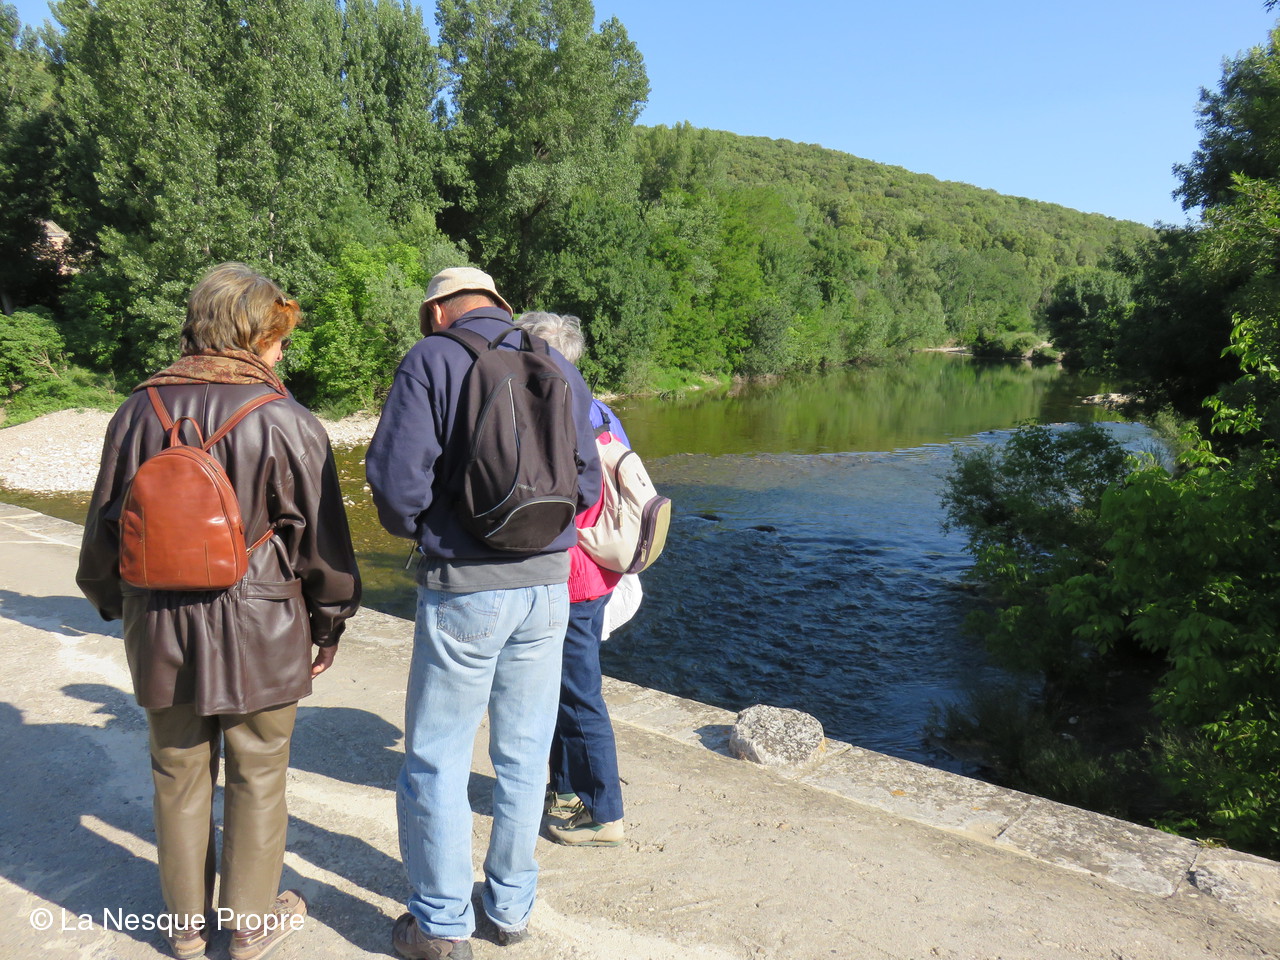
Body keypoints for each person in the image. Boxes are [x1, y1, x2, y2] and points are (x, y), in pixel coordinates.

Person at [77, 262, 362, 960]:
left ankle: (184, 928)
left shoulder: (136, 412)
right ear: (257, 335)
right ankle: (248, 926)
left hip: (157, 622)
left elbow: (104, 531)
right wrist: (328, 625)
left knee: (176, 770)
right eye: (279, 339)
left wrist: (115, 604)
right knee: (258, 771)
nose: (282, 353)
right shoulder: (288, 420)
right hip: (261, 626)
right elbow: (322, 547)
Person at [365, 268, 600, 959]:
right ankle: (509, 909)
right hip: (548, 588)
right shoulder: (553, 360)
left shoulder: (432, 358)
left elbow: (395, 482)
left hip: (465, 587)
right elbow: (589, 481)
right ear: (499, 305)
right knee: (523, 755)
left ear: (438, 311)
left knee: (437, 758)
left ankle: (441, 927)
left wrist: (430, 532)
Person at [513, 312, 628, 846]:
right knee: (562, 687)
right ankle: (563, 790)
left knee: (579, 693)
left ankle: (604, 813)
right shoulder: (599, 409)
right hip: (599, 567)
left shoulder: (553, 409)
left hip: (572, 572)